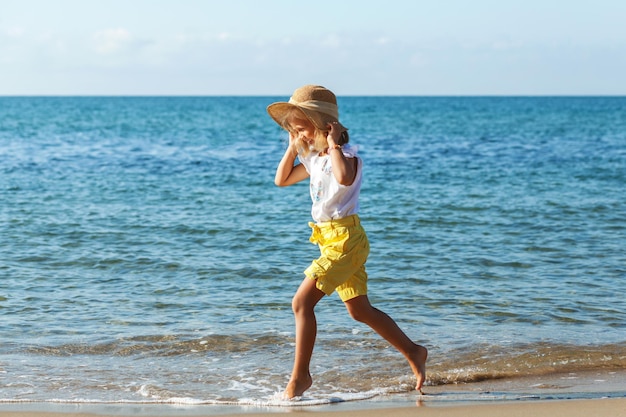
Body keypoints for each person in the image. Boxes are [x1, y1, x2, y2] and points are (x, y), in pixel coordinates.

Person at [267, 85, 427, 399]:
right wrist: (291, 147)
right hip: (329, 241)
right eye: (294, 129)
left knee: (301, 303)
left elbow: (343, 178)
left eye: (302, 128)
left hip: (346, 241)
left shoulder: (346, 157)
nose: (299, 134)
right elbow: (282, 180)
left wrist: (335, 145)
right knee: (359, 310)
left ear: (323, 125)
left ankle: (300, 378)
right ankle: (413, 351)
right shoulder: (314, 160)